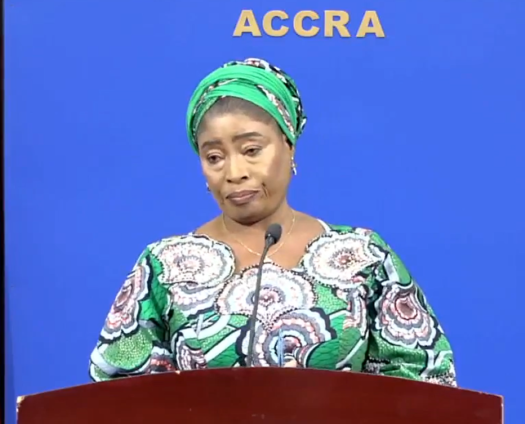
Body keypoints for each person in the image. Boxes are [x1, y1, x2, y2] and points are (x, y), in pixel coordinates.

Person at [88, 58, 457, 387]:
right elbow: (117, 394)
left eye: (252, 150)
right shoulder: (164, 266)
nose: (234, 172)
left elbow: (424, 384)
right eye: (214, 157)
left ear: (289, 144)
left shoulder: (364, 256)